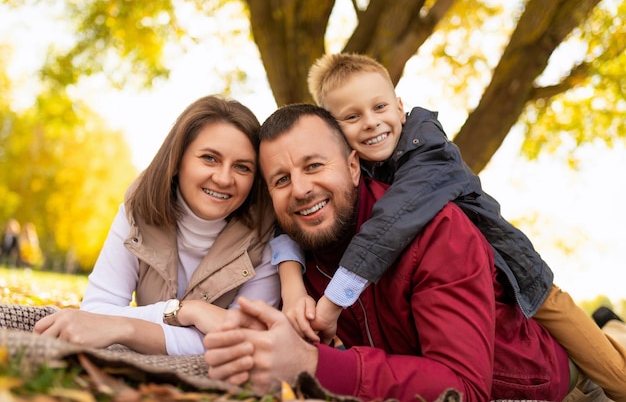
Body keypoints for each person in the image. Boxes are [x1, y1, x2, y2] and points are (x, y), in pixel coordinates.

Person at [271, 53, 626, 400]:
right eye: (352, 116)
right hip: (490, 300)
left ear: (399, 106)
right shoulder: (354, 177)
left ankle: (611, 333)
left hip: (522, 275)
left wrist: (333, 302)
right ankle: (612, 327)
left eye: (379, 108)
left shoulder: (427, 152)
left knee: (613, 373)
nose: (370, 122)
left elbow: (390, 224)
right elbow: (278, 220)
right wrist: (291, 283)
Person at [203, 103, 605, 401]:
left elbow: (464, 389)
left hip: (535, 381)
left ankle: (610, 331)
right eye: (281, 179)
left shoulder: (437, 230)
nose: (301, 188)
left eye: (314, 166)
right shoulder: (299, 254)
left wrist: (313, 363)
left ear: (354, 166)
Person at [33, 95, 280, 355]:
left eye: (242, 167)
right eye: (209, 158)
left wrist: (126, 328)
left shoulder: (265, 238)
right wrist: (186, 311)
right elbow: (95, 313)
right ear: (178, 160)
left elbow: (245, 342)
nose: (223, 178)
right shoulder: (137, 212)